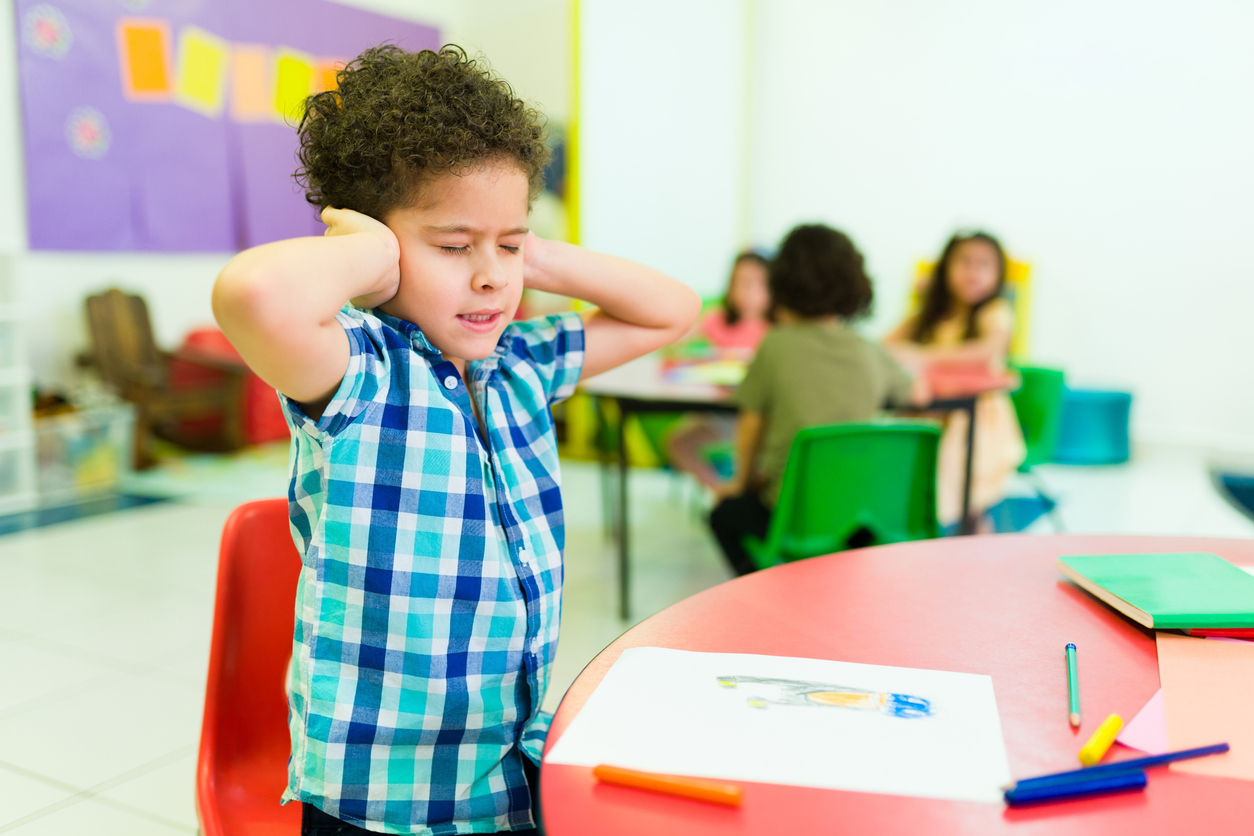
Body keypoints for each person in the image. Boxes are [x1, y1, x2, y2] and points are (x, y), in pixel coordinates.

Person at [212, 45, 700, 836]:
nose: (490, 278)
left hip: (503, 777)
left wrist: (523, 251)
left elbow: (671, 310)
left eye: (508, 246)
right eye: (451, 245)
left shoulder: (522, 365)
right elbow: (253, 294)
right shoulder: (358, 370)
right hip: (382, 799)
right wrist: (367, 253)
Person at [708, 224, 924, 576]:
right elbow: (917, 393)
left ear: (781, 283)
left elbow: (751, 428)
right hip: (864, 519)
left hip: (793, 517)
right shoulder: (868, 349)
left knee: (724, 514)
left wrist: (742, 483)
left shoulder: (775, 346)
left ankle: (764, 588)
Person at [883, 230, 1026, 530]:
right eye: (964, 262)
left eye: (984, 265)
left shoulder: (994, 312)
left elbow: (988, 349)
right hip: (930, 410)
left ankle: (963, 525)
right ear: (945, 267)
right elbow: (885, 345)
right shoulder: (929, 314)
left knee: (956, 460)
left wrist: (922, 355)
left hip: (980, 417)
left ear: (998, 274)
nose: (973, 272)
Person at [666, 250, 772, 490]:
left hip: (756, 416)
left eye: (756, 284)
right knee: (677, 444)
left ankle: (742, 491)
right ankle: (720, 492)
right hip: (717, 413)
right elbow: (676, 346)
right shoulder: (717, 319)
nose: (747, 291)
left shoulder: (775, 330)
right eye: (740, 282)